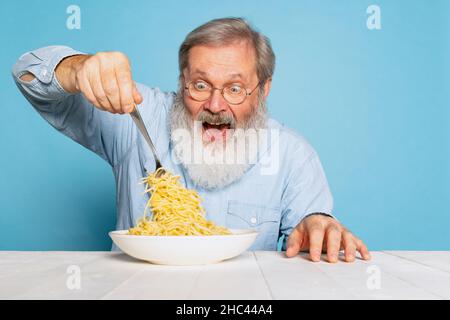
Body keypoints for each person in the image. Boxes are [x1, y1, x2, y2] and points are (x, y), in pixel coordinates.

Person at [12, 17, 370, 263]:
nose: (215, 105)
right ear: (182, 80)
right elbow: (27, 76)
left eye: (234, 88)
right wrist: (77, 68)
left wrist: (317, 224)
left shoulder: (291, 154)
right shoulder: (137, 114)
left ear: (263, 90)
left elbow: (311, 229)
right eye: (200, 85)